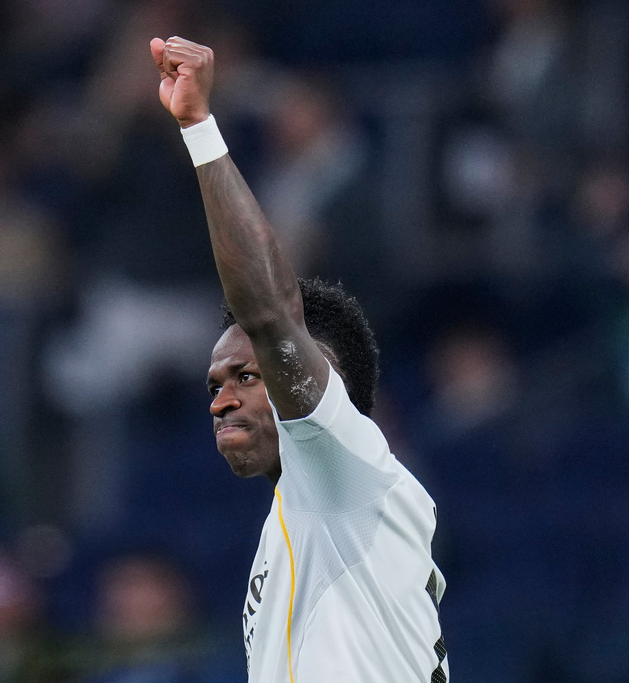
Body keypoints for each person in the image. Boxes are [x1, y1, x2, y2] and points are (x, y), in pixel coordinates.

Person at [149, 36, 449, 681]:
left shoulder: (348, 465)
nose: (220, 401)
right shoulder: (303, 520)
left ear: (322, 377)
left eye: (245, 376)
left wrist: (199, 127)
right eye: (215, 385)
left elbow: (269, 312)